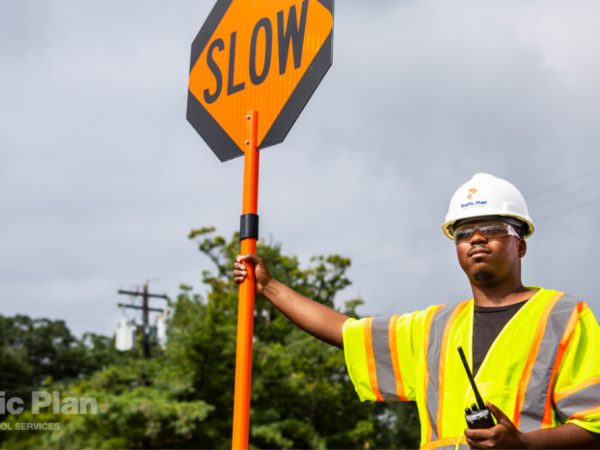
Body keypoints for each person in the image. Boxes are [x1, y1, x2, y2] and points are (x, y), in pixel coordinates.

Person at [233, 173, 600, 449]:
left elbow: (595, 426)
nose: (475, 239)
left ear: (520, 245)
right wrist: (268, 287)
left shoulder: (562, 315)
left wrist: (522, 444)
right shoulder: (434, 326)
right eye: (462, 233)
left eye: (492, 228)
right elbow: (345, 332)